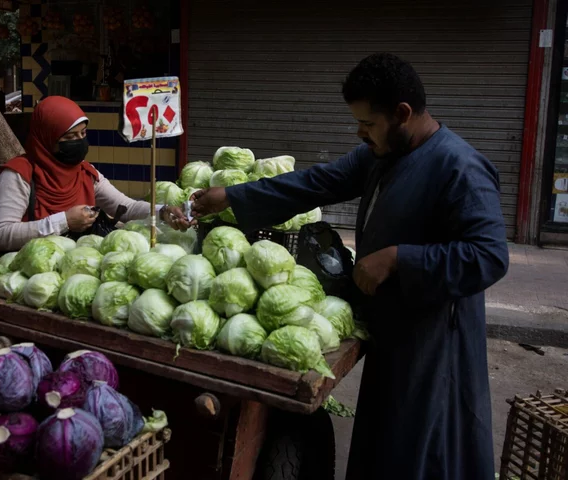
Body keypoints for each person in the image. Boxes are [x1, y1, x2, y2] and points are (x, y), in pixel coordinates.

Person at [191, 53, 509, 480]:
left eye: (368, 123)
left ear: (402, 114)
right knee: (385, 437)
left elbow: (488, 256)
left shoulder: (461, 169)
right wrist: (233, 197)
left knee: (426, 447)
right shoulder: (380, 155)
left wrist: (399, 258)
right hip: (392, 326)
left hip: (434, 341)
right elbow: (317, 182)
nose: (360, 133)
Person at [0, 95, 191, 252]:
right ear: (46, 139)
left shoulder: (85, 172)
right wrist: (64, 222)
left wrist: (162, 212)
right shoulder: (19, 175)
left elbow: (126, 207)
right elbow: (1, 235)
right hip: (27, 273)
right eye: (70, 136)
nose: (79, 141)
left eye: (83, 134)